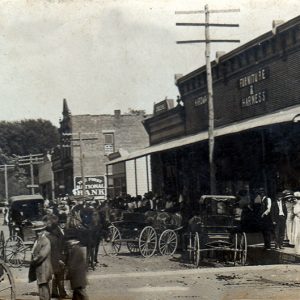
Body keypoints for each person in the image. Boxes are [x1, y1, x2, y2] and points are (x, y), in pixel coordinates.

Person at [44, 215, 70, 299]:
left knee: (57, 275)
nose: (63, 224)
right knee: (59, 275)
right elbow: (56, 247)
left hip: (63, 255)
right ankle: (62, 293)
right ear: (59, 224)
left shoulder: (65, 231)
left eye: (64, 223)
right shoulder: (56, 232)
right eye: (61, 223)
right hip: (58, 256)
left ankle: (55, 292)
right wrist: (59, 258)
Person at [29, 224, 53, 300]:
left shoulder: (45, 241)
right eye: (36, 231)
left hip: (44, 268)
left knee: (44, 288)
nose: (37, 233)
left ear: (43, 231)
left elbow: (42, 255)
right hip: (40, 268)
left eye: (39, 231)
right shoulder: (38, 240)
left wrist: (33, 261)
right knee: (41, 287)